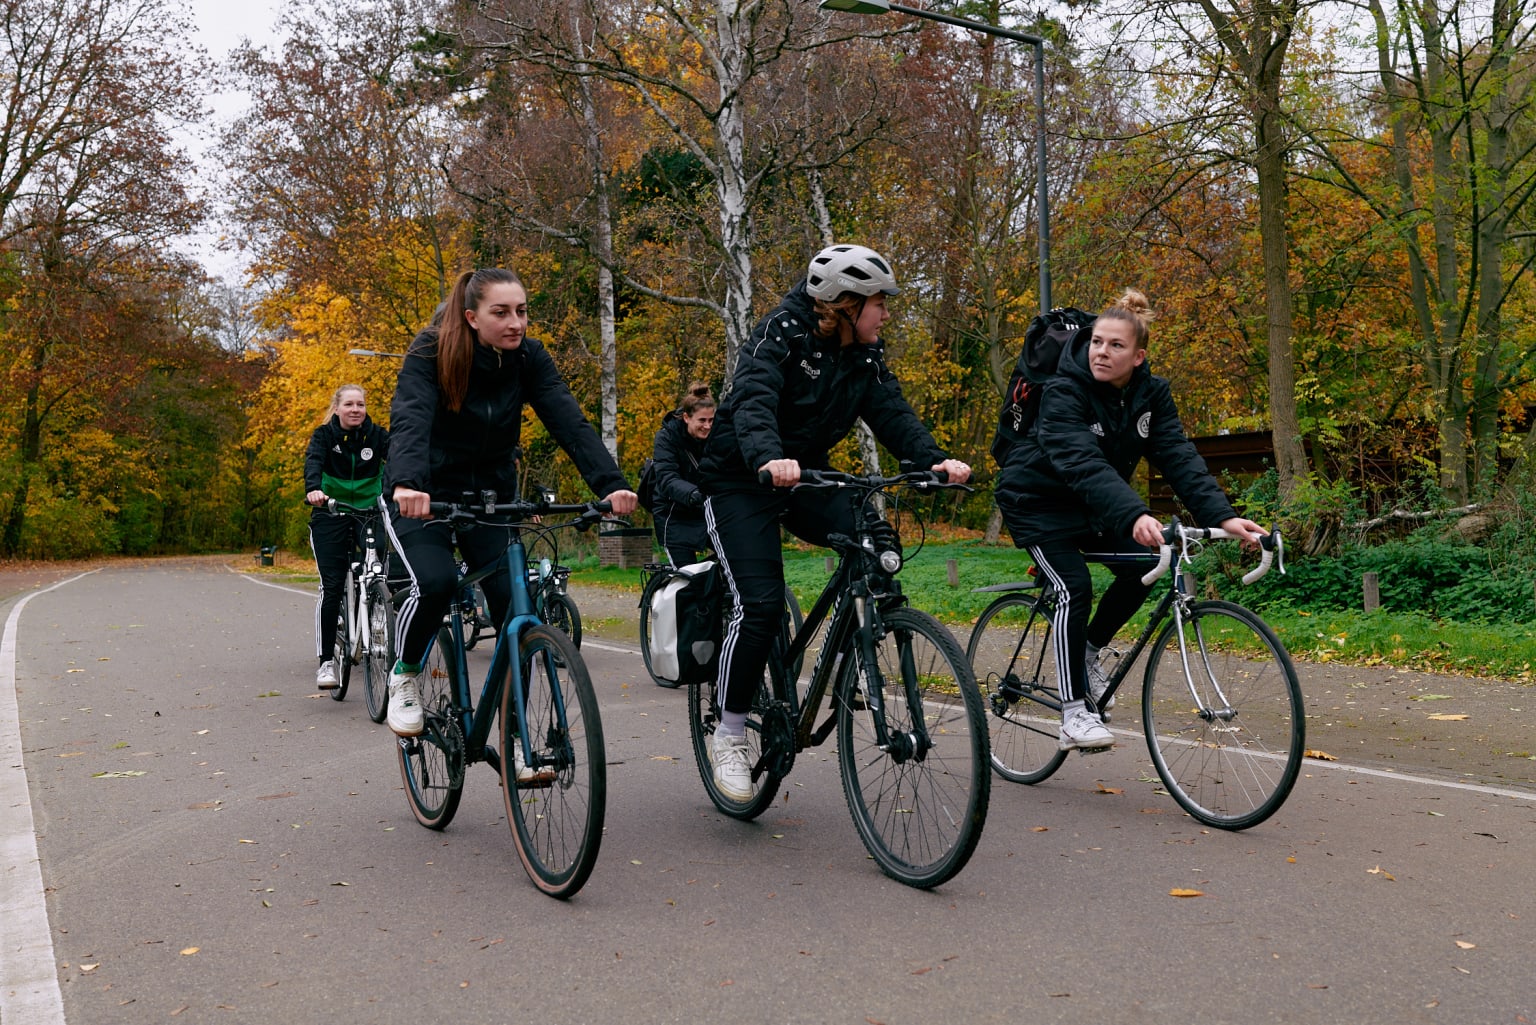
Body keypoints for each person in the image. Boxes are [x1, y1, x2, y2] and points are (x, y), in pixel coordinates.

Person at [698, 243, 971, 800]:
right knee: (761, 604)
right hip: (742, 477)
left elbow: (892, 412)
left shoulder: (863, 353)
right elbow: (753, 398)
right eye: (879, 303)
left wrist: (932, 460)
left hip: (807, 476)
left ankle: (859, 661)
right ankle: (728, 734)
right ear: (847, 305)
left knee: (877, 543)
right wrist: (767, 457)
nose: (886, 314)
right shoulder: (781, 332)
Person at [994, 289, 1266, 751]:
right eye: (1097, 341)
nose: (1102, 352)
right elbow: (1080, 462)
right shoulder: (1064, 388)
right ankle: (1074, 714)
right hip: (1036, 502)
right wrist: (1134, 512)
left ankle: (1087, 650)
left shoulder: (1151, 395)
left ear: (1139, 356)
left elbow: (1179, 457)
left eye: (1115, 346)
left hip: (1095, 505)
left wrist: (1225, 516)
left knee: (1145, 564)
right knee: (1073, 587)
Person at [383, 268, 637, 752]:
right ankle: (406, 672)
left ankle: (517, 733)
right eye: (501, 312)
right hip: (425, 494)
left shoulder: (529, 359)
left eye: (521, 311)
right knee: (434, 583)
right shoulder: (430, 351)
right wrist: (408, 485)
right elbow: (410, 418)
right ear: (472, 317)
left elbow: (570, 422)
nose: (515, 322)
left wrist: (612, 486)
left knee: (514, 606)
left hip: (490, 496)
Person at [303, 384, 389, 690]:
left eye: (361, 404)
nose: (356, 409)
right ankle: (327, 661)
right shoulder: (324, 436)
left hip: (368, 512)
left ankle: (379, 614)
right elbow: (313, 462)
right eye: (349, 404)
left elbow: (398, 461)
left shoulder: (378, 436)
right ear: (337, 408)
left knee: (378, 569)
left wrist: (402, 489)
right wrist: (314, 489)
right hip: (331, 511)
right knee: (333, 584)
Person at [650, 382, 716, 567]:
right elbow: (667, 477)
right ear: (686, 417)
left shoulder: (716, 436)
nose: (707, 426)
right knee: (687, 577)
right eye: (702, 421)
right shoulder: (666, 438)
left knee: (734, 557)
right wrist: (694, 494)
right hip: (674, 514)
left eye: (711, 420)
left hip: (706, 511)